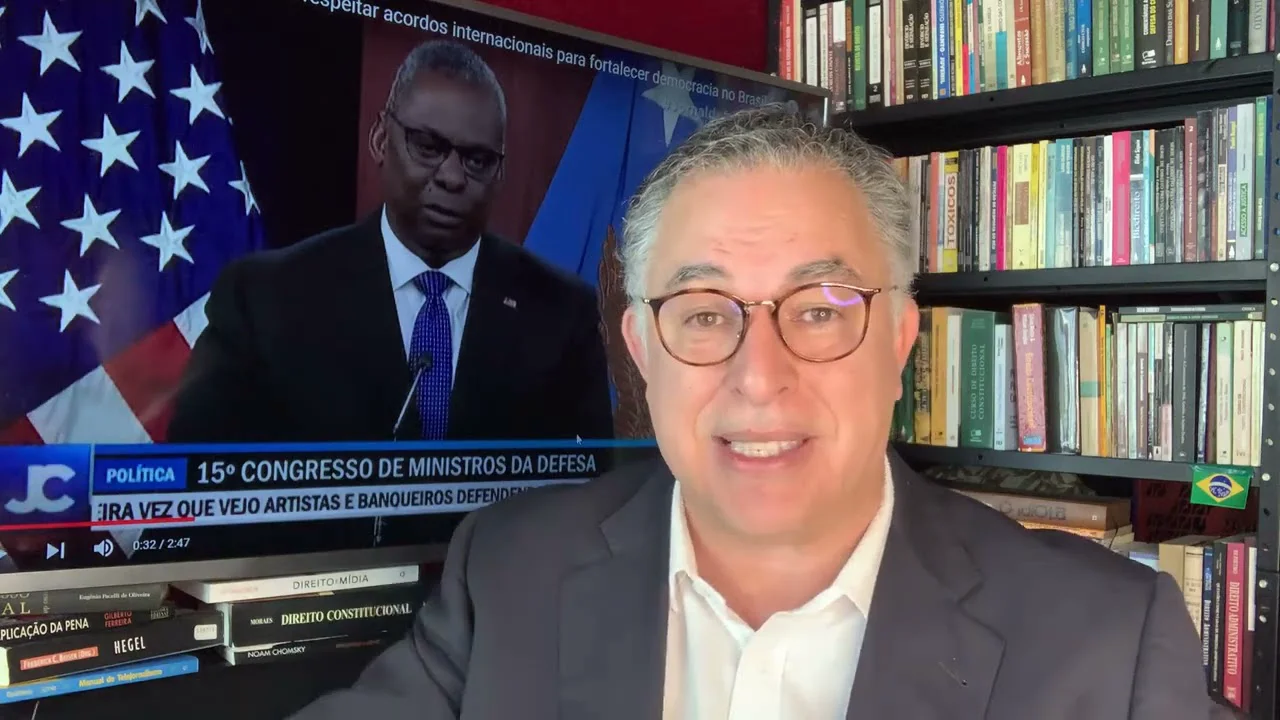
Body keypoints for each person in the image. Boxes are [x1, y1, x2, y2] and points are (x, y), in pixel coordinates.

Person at [289, 106, 1223, 719]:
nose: (759, 378)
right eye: (704, 314)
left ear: (900, 340)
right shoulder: (508, 569)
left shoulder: (1107, 643)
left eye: (818, 310)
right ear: (643, 351)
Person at [167, 40, 613, 444]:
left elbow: (593, 486)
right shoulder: (265, 299)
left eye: (477, 160)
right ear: (381, 139)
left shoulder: (563, 314)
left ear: (500, 173)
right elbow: (197, 474)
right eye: (428, 146)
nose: (452, 177)